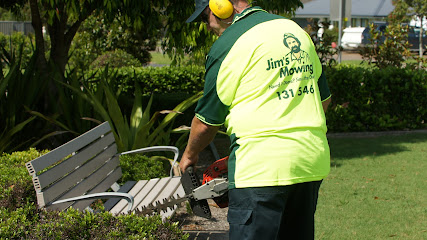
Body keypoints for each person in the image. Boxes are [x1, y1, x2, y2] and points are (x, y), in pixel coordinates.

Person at [180, 0, 332, 239]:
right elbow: (322, 100)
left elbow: (206, 122)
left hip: (259, 169)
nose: (207, 26)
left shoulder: (228, 44)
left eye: (204, 17)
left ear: (220, 6)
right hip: (310, 162)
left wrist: (189, 157)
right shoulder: (295, 31)